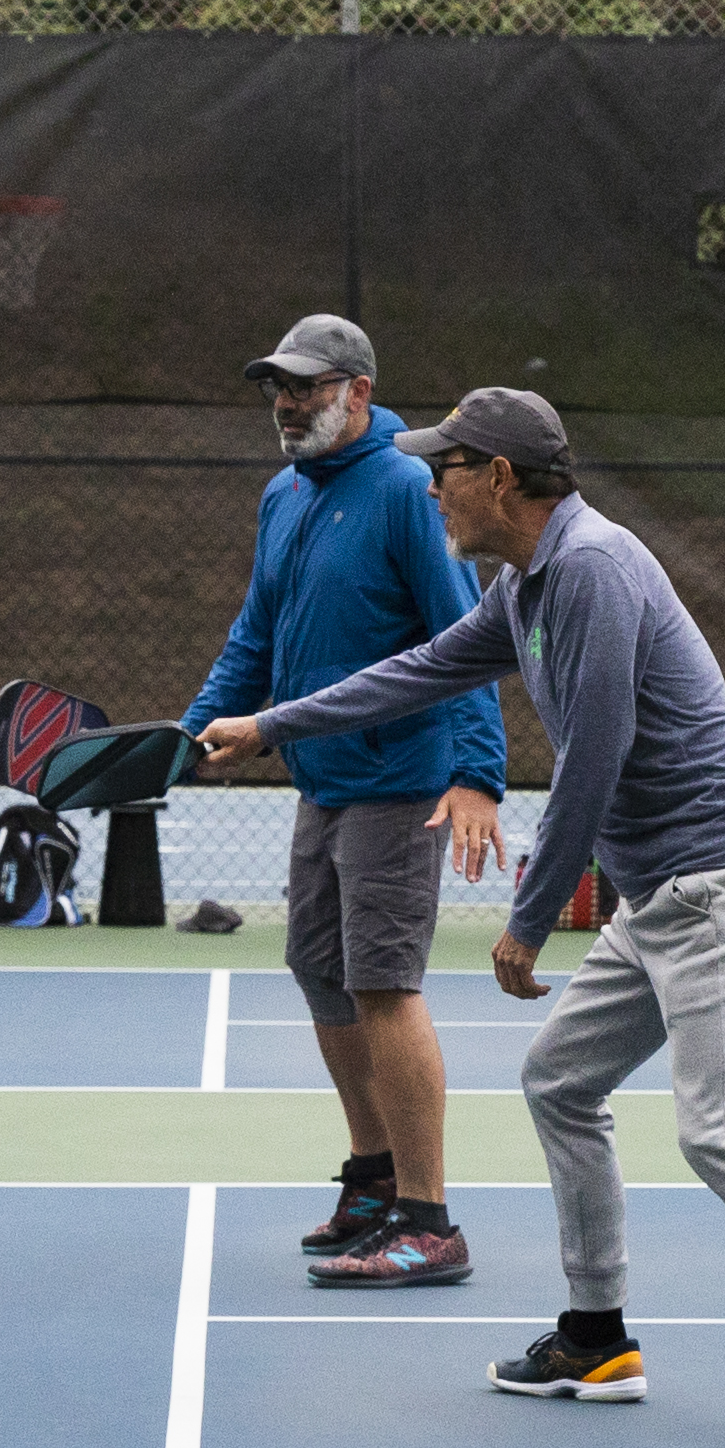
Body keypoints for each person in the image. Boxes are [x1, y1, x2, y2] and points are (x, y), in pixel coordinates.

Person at [202, 389, 725, 1448]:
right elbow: (422, 669)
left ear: (498, 476)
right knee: (559, 1080)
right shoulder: (529, 579)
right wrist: (268, 723)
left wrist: (530, 918)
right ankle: (597, 1335)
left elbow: (596, 753)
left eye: (444, 465)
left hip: (720, 884)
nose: (430, 481)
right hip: (669, 889)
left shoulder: (589, 568)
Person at [179, 314, 506, 1289]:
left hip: (403, 784)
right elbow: (256, 631)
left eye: (306, 387)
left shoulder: (410, 489)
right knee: (320, 970)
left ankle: (428, 1218)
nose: (285, 403)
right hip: (321, 778)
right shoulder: (283, 493)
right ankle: (372, 1177)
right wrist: (190, 730)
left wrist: (478, 772)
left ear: (357, 391)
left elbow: (470, 633)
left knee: (383, 987)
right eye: (277, 386)